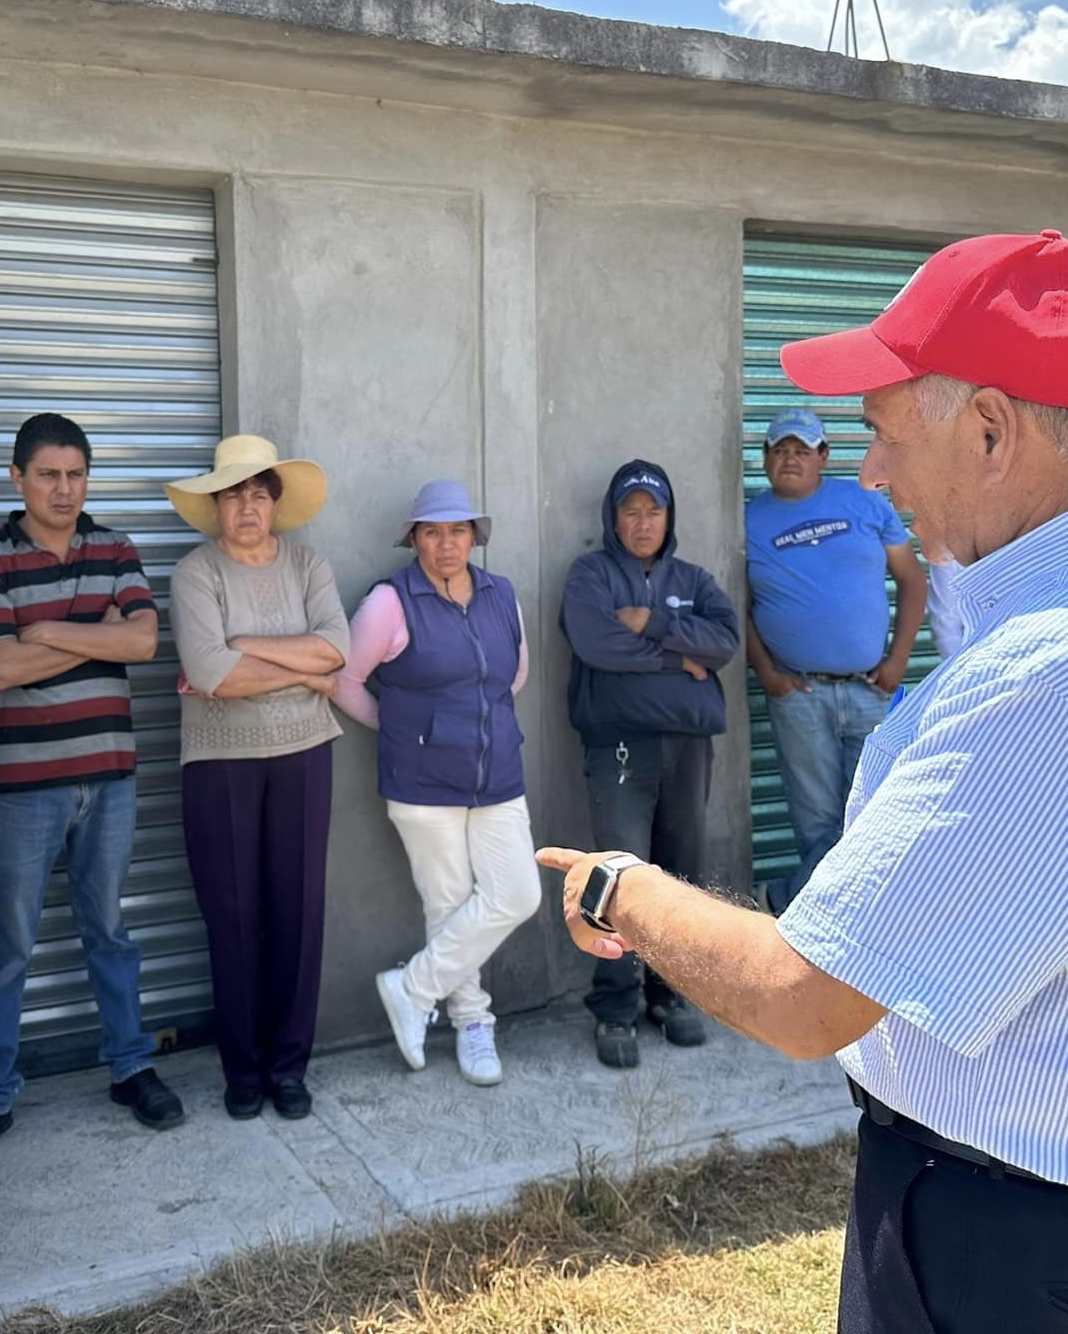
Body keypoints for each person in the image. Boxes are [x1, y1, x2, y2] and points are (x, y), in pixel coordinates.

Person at [539, 230, 1068, 1334]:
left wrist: (617, 890)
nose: (868, 473)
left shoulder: (1067, 670)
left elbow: (801, 996)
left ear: (987, 427)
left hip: (1010, 1255)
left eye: (879, 435)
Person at [0, 413, 182, 1149]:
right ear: (17, 477)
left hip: (110, 780)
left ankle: (129, 1068)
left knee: (110, 931)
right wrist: (97, 634)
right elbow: (0, 668)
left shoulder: (115, 546)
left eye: (75, 475)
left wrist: (48, 631)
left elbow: (144, 641)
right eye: (49, 474)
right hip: (22, 787)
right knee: (9, 944)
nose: (64, 488)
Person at [333, 480, 542, 1087]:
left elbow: (514, 675)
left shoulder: (502, 594)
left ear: (475, 535)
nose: (446, 543)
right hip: (423, 783)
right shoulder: (390, 602)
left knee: (517, 894)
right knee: (447, 905)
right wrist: (403, 727)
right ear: (414, 539)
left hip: (498, 772)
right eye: (432, 531)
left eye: (457, 530)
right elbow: (344, 678)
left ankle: (413, 988)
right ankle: (474, 1023)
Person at [166, 434, 348, 1122]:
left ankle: (288, 1068)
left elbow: (340, 648)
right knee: (234, 917)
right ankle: (242, 1070)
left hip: (306, 754)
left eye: (258, 493)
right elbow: (213, 673)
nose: (247, 505)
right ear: (216, 506)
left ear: (275, 503)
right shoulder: (195, 573)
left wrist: (249, 650)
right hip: (220, 765)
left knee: (298, 913)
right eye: (234, 493)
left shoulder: (308, 565)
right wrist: (305, 673)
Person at [561, 459, 740, 1069]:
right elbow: (596, 644)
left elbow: (723, 643)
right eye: (630, 511)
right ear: (613, 518)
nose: (642, 522)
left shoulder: (693, 579)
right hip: (619, 748)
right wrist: (679, 660)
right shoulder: (591, 576)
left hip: (688, 750)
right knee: (618, 876)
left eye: (653, 511)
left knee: (682, 876)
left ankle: (670, 996)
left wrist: (654, 623)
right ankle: (614, 1008)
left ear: (669, 518)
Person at [744, 409, 927, 912]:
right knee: (817, 824)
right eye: (778, 450)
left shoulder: (863, 502)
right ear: (764, 459)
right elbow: (738, 605)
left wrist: (898, 661)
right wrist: (766, 673)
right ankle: (821, 935)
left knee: (880, 813)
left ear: (824, 457)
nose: (789, 459)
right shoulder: (749, 519)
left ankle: (782, 900)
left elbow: (913, 580)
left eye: (801, 450)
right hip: (798, 695)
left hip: (871, 689)